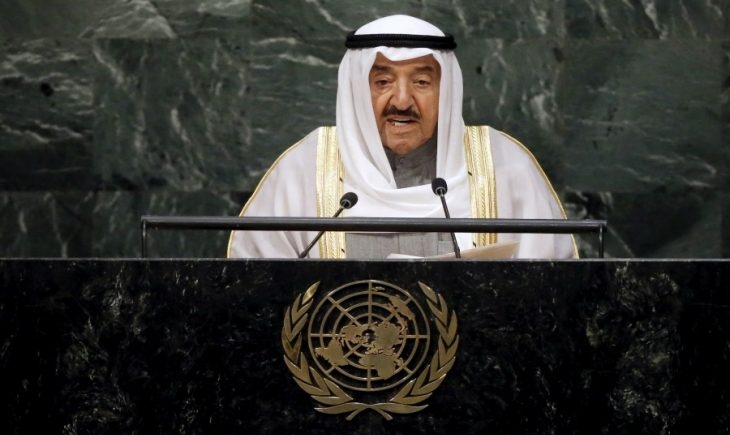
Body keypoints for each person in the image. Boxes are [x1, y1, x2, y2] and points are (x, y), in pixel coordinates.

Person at [228, 15, 577, 259]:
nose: (402, 101)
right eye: (382, 82)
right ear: (357, 89)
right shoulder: (305, 168)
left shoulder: (504, 166)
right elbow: (255, 289)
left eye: (422, 82)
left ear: (446, 90)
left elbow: (549, 293)